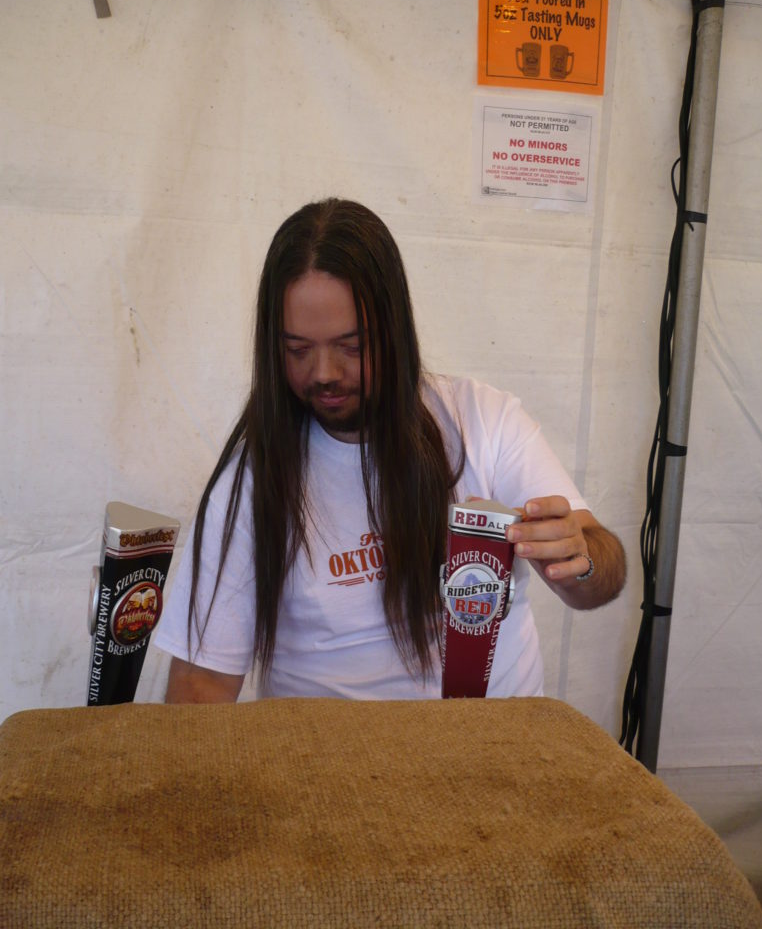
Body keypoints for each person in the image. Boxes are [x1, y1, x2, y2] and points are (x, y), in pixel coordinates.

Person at [154, 198, 626, 703]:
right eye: (297, 350)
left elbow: (603, 572)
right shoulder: (253, 478)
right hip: (327, 766)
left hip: (493, 749)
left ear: (395, 331)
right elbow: (199, 682)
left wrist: (581, 562)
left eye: (352, 347)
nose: (323, 373)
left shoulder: (483, 420)